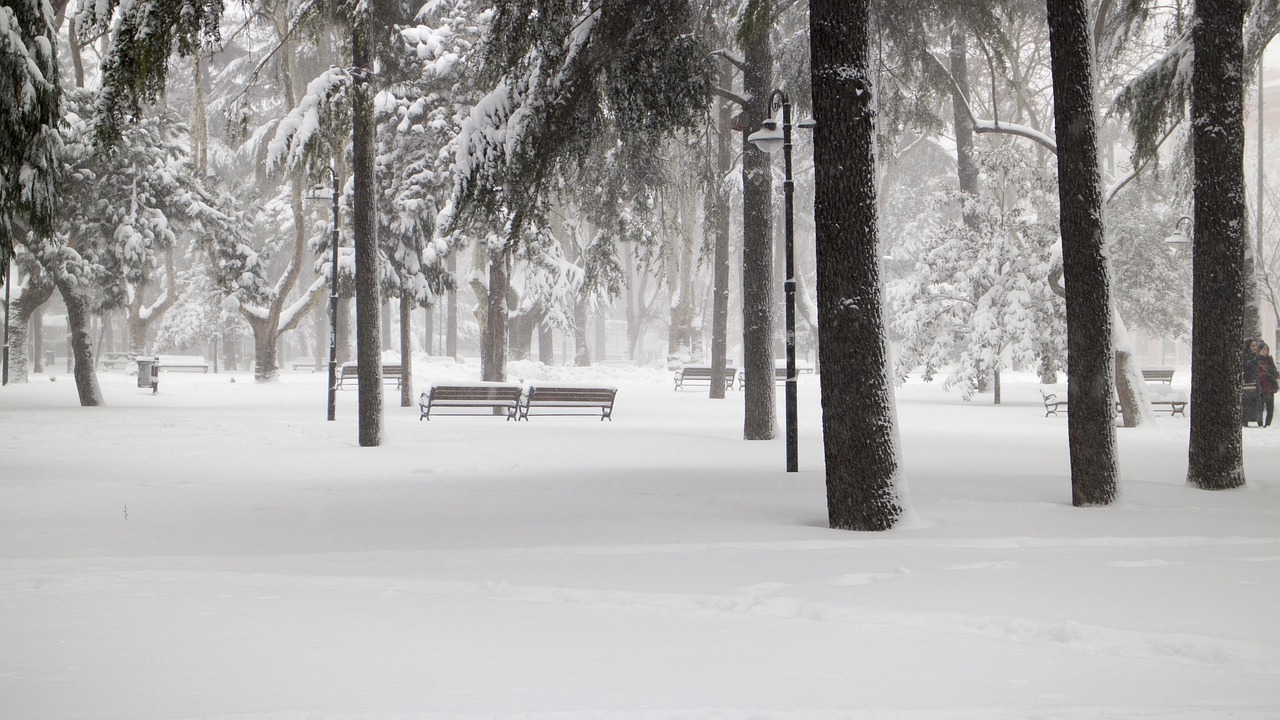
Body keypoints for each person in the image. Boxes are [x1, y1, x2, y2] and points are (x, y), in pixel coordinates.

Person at [1242, 339, 1262, 427]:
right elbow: (1247, 365)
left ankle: (1258, 419)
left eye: (1255, 346)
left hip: (1256, 381)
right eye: (1252, 346)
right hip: (1247, 382)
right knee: (1247, 402)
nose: (1254, 348)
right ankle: (1245, 420)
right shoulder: (1245, 356)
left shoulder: (1257, 356)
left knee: (1257, 401)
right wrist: (1255, 360)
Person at [1259, 342, 1279, 428]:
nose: (1265, 351)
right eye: (1263, 349)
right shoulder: (1256, 360)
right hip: (1260, 386)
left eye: (1266, 349)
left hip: (1269, 386)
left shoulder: (1270, 360)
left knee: (1270, 407)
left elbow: (1274, 371)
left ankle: (1267, 424)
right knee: (1260, 406)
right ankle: (1260, 423)